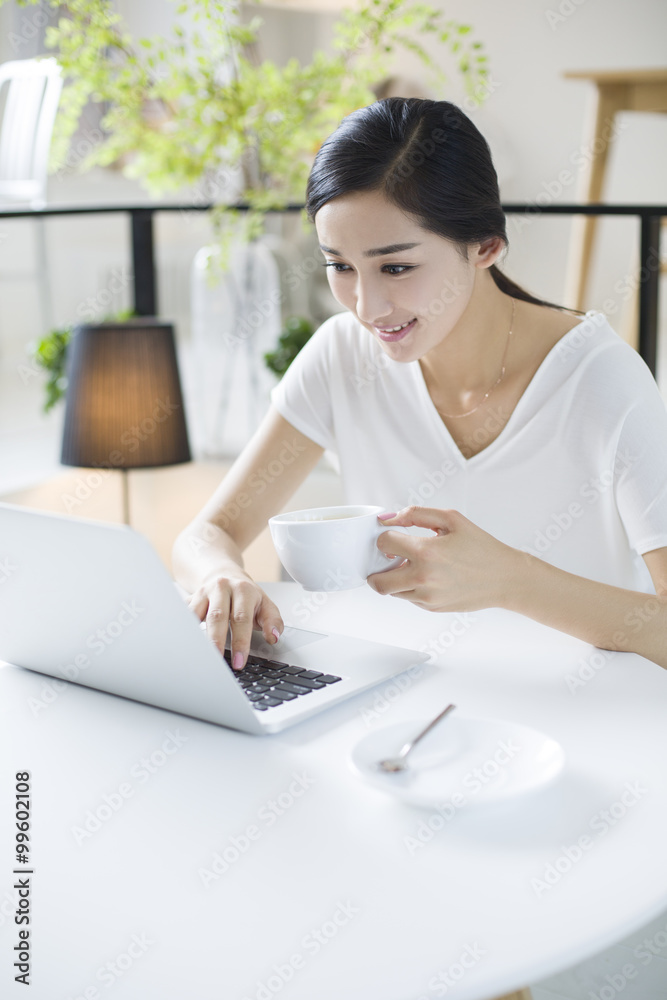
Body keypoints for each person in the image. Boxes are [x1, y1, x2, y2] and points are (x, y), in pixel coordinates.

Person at [173, 97, 667, 672]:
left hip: (581, 723)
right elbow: (207, 533)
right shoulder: (341, 354)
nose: (366, 306)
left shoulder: (600, 378)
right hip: (399, 703)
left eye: (396, 267)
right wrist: (222, 575)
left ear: (485, 246)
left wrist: (512, 581)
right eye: (340, 266)